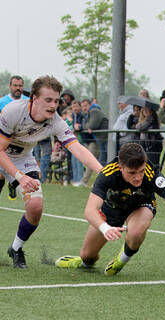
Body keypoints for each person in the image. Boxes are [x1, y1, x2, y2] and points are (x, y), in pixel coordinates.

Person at [55, 142, 165, 275]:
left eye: (140, 171)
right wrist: (104, 228)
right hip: (112, 209)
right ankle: (82, 261)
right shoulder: (107, 174)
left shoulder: (151, 174)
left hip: (141, 206)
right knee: (88, 257)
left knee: (137, 230)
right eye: (132, 172)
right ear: (120, 167)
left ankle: (121, 260)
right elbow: (90, 210)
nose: (138, 177)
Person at [0, 75, 102, 269]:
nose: (53, 105)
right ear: (34, 99)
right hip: (1, 153)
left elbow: (77, 148)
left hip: (23, 159)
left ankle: (15, 248)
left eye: (56, 101)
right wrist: (19, 178)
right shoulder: (12, 111)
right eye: (48, 100)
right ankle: (10, 182)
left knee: (36, 206)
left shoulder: (56, 121)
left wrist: (104, 171)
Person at [0, 75, 29, 200]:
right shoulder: (2, 102)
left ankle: (13, 183)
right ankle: (11, 183)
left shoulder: (28, 101)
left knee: (17, 170)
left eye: (20, 86)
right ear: (10, 86)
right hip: (4, 141)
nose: (18, 88)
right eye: (15, 86)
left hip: (22, 143)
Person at [136, 104, 163, 171]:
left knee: (152, 166)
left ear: (151, 110)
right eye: (144, 109)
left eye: (147, 109)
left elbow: (141, 127)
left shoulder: (151, 118)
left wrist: (138, 126)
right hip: (146, 145)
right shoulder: (144, 119)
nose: (145, 111)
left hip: (153, 145)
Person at [78, 99, 99, 187]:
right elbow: (83, 126)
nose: (84, 108)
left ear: (90, 105)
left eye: (85, 106)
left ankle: (85, 181)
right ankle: (86, 181)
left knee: (91, 162)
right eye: (82, 106)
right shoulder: (83, 115)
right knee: (88, 162)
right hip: (87, 142)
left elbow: (91, 125)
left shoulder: (94, 112)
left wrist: (83, 127)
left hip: (95, 141)